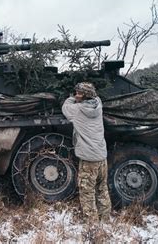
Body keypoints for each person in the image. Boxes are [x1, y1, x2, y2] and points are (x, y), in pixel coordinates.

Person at [62, 82, 111, 223]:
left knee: (87, 192)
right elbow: (94, 97)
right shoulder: (98, 105)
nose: (76, 94)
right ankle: (105, 220)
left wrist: (72, 98)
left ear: (84, 96)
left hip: (89, 159)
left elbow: (65, 108)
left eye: (78, 93)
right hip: (102, 156)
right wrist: (80, 97)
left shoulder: (77, 110)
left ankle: (92, 225)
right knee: (102, 189)